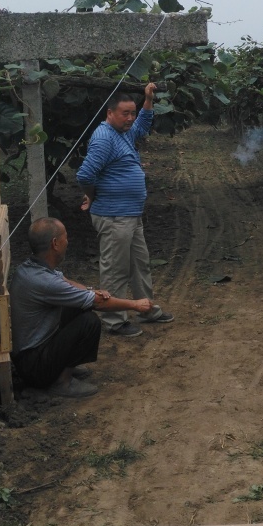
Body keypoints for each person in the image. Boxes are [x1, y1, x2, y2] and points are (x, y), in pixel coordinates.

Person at [10, 218, 154, 398]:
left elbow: (65, 282)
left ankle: (61, 366)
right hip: (34, 366)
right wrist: (134, 304)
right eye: (65, 237)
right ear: (55, 243)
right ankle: (61, 382)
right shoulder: (43, 282)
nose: (67, 242)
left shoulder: (32, 267)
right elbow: (98, 303)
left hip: (31, 356)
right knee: (89, 322)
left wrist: (91, 291)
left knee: (77, 307)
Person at [76, 83, 174, 337]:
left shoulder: (124, 132)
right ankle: (114, 321)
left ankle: (147, 310)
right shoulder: (104, 138)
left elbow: (142, 125)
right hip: (113, 216)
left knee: (140, 265)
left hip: (130, 215)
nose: (130, 118)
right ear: (110, 113)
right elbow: (85, 174)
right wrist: (92, 195)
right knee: (115, 269)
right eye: (125, 113)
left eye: (132, 112)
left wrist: (148, 100)